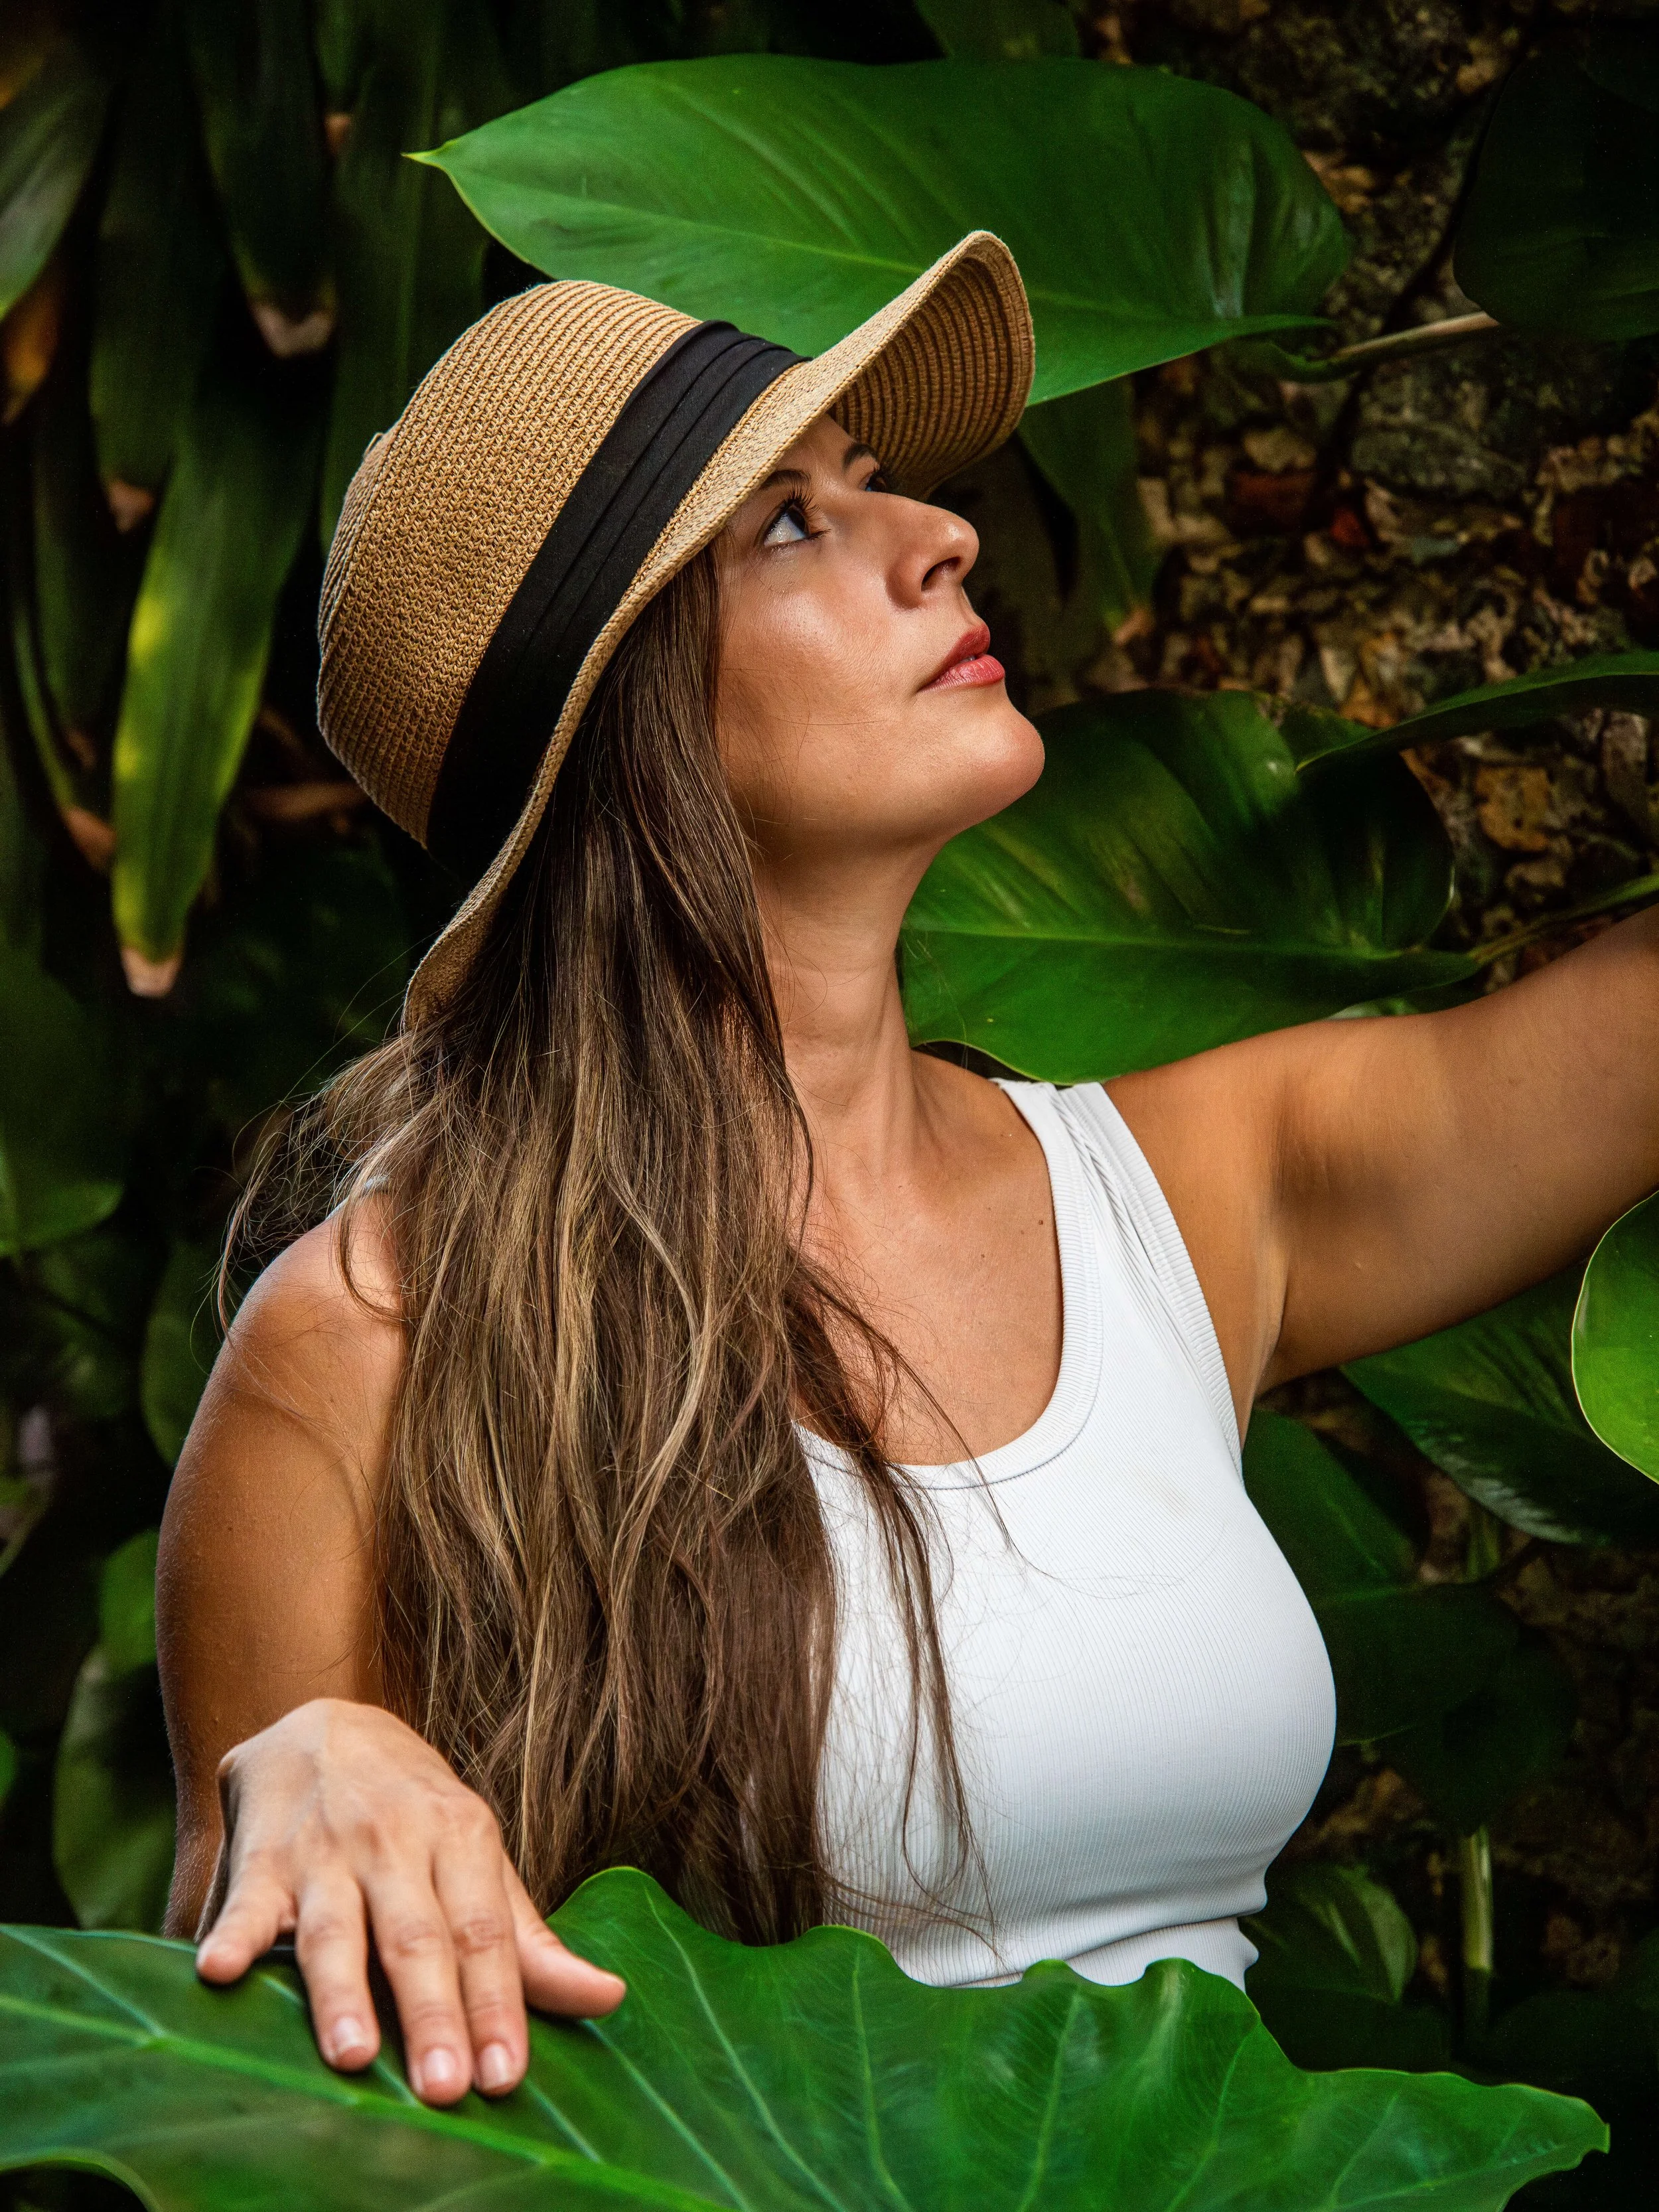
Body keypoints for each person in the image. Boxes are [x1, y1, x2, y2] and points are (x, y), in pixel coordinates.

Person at [158, 234, 1659, 2110]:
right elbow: (254, 2052)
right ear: (621, 731)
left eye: (878, 482)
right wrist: (295, 1754)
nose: (934, 538)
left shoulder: (1188, 1188)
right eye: (787, 526)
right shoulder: (372, 1335)